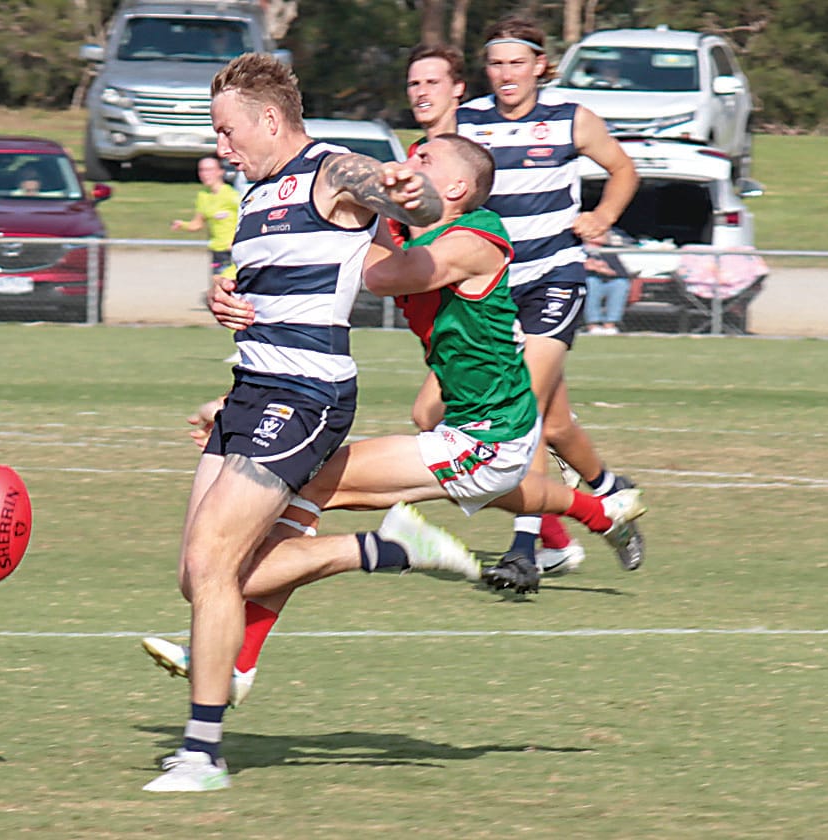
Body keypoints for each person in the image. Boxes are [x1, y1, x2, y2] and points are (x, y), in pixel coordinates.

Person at [142, 133, 647, 744]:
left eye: (426, 160)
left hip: (489, 437)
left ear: (456, 189)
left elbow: (377, 276)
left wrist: (329, 221)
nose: (408, 163)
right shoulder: (423, 232)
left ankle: (359, 575)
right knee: (303, 498)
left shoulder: (469, 238)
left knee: (301, 495)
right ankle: (239, 658)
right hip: (475, 423)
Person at [141, 52, 445, 794]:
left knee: (215, 562)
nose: (219, 145)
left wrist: (410, 191)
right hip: (251, 390)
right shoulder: (255, 194)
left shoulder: (332, 172)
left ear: (270, 119)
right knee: (195, 577)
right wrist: (226, 301)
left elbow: (419, 206)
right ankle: (386, 545)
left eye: (226, 130)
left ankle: (202, 755)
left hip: (306, 397)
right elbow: (265, 290)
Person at [455, 15, 643, 593]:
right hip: (494, 292)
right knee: (552, 422)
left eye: (518, 62)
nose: (506, 74)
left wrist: (603, 217)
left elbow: (622, 169)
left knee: (524, 412)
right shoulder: (469, 123)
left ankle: (525, 551)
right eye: (496, 63)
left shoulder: (569, 119)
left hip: (555, 280)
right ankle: (609, 496)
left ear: (541, 65)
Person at [402, 40, 586, 574]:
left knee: (521, 414)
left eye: (432, 82)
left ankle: (530, 547)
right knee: (441, 416)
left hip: (514, 297)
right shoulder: (418, 157)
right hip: (448, 324)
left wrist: (592, 221)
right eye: (414, 83)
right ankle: (599, 501)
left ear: (459, 88)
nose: (421, 92)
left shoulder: (476, 146)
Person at [171, 155, 241, 282]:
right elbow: (197, 224)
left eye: (209, 170)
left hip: (233, 251)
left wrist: (237, 240)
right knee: (217, 288)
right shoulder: (203, 196)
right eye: (202, 170)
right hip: (217, 251)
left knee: (224, 288)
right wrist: (182, 225)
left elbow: (249, 217)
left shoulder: (231, 196)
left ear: (220, 172)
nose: (205, 174)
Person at [583, 229, 632, 335]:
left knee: (621, 284)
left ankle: (610, 324)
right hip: (589, 280)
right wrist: (591, 267)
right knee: (592, 283)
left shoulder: (608, 251)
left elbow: (622, 272)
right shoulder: (579, 250)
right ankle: (593, 324)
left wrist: (604, 269)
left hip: (608, 280)